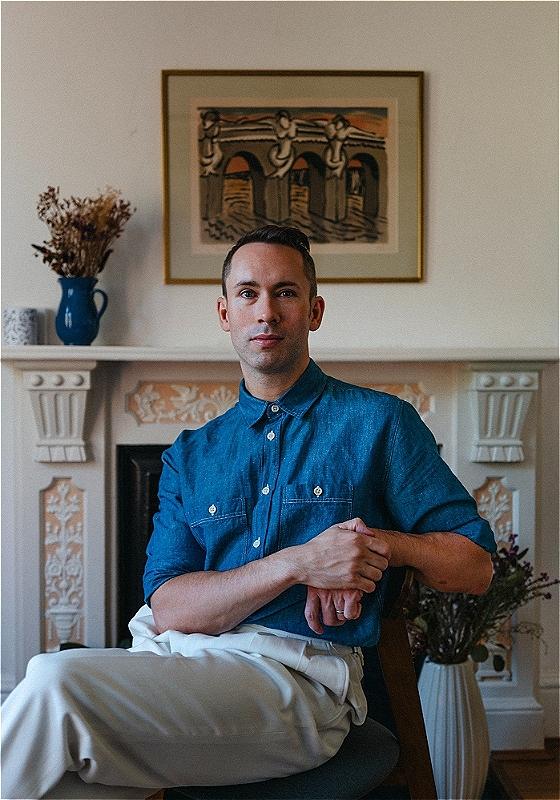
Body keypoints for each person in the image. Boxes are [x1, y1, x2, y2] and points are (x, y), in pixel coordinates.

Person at [1, 225, 496, 800]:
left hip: (301, 686)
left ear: (314, 310)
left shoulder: (380, 424)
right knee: (65, 777)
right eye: (247, 294)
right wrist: (299, 563)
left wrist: (374, 545)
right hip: (183, 666)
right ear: (224, 313)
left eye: (285, 293)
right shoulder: (192, 454)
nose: (266, 312)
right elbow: (169, 606)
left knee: (54, 681)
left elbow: (476, 566)